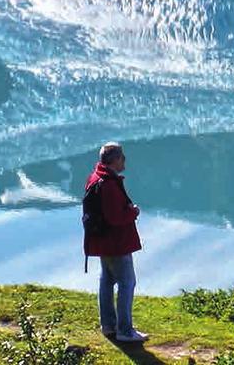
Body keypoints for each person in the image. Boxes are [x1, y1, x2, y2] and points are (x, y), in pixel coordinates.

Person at [84, 141, 147, 343]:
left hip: (102, 241)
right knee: (127, 282)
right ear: (116, 159)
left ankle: (108, 325)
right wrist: (133, 212)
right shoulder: (108, 184)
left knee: (107, 281)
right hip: (116, 243)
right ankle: (125, 331)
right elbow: (115, 217)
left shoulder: (95, 178)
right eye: (123, 157)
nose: (125, 161)